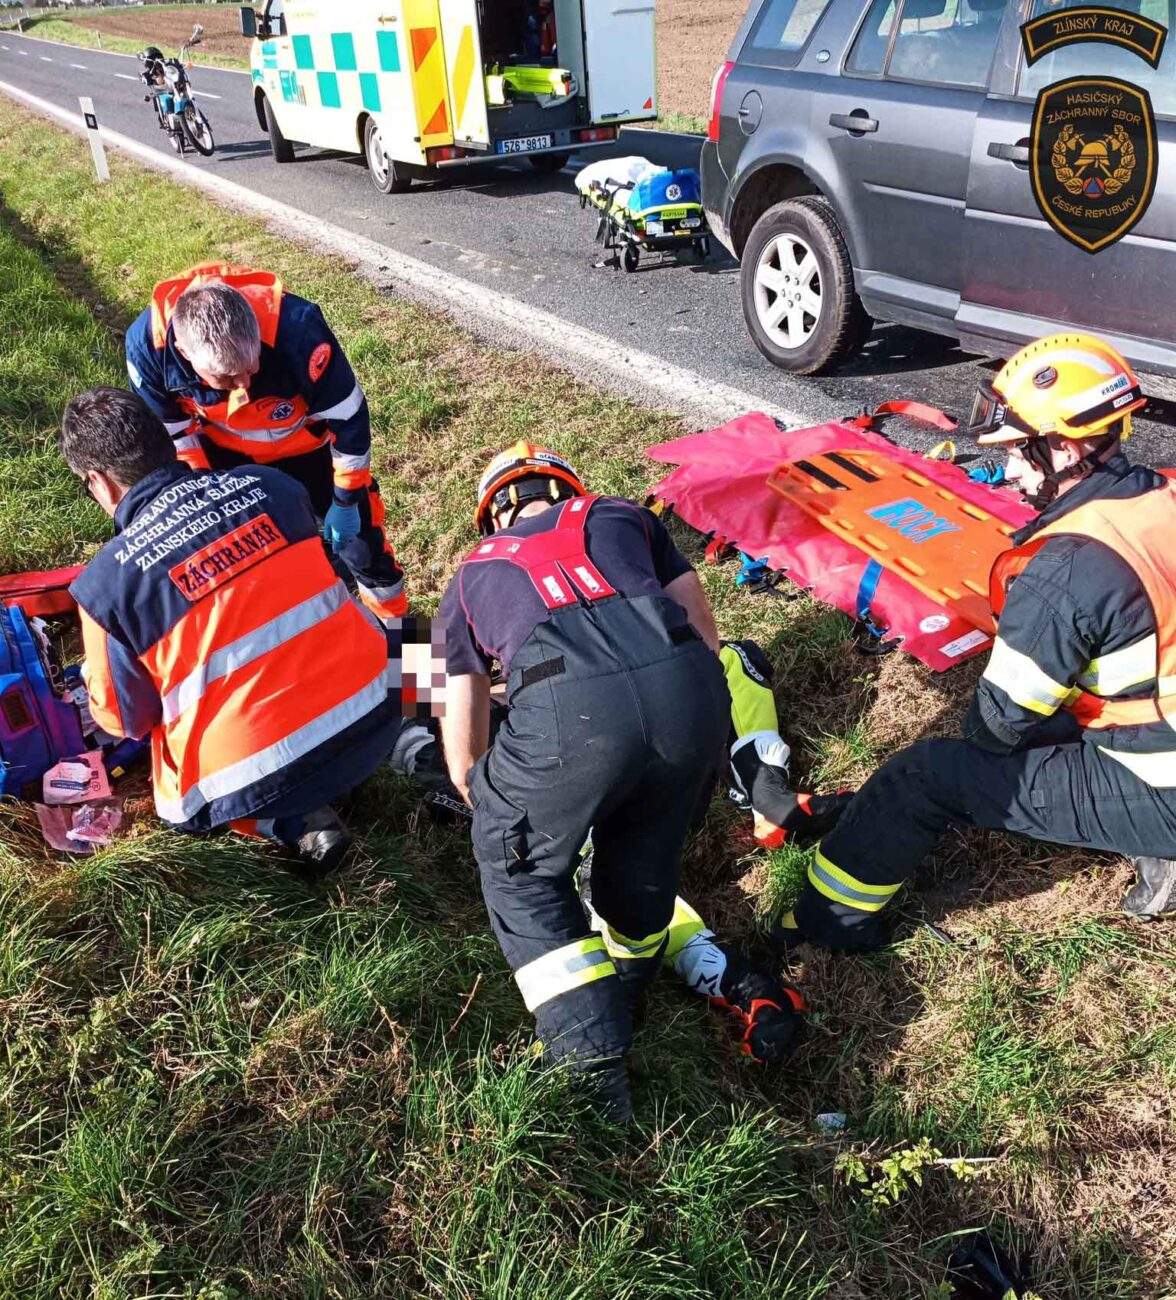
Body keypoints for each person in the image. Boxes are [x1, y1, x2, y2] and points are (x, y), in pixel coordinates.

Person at [772, 333, 1176, 954]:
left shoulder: (1066, 571)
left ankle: (826, 923)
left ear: (1066, 448)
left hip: (1164, 784)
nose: (1010, 471)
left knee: (926, 776)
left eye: (1017, 451)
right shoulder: (1163, 494)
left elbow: (997, 727)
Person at [437, 441, 731, 1120]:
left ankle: (592, 1071)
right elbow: (704, 628)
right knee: (648, 837)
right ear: (569, 488)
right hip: (688, 690)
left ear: (493, 515)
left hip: (568, 710)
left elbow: (459, 725)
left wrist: (494, 803)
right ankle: (632, 973)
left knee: (516, 869)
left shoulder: (469, 573)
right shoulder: (626, 515)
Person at [63, 387, 401, 872]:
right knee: (406, 630)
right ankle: (433, 744)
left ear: (98, 482)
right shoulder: (273, 486)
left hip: (261, 779)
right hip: (382, 716)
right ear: (165, 441)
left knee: (173, 787)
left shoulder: (103, 587)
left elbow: (126, 721)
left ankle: (292, 822)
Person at [124, 263, 406, 622]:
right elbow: (177, 438)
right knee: (259, 564)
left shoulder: (299, 330)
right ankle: (317, 629)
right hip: (225, 462)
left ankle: (412, 647)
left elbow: (349, 419)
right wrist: (208, 498)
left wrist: (347, 499)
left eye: (252, 366)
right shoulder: (148, 351)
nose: (243, 383)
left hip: (310, 451)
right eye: (226, 378)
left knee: (365, 550)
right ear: (184, 351)